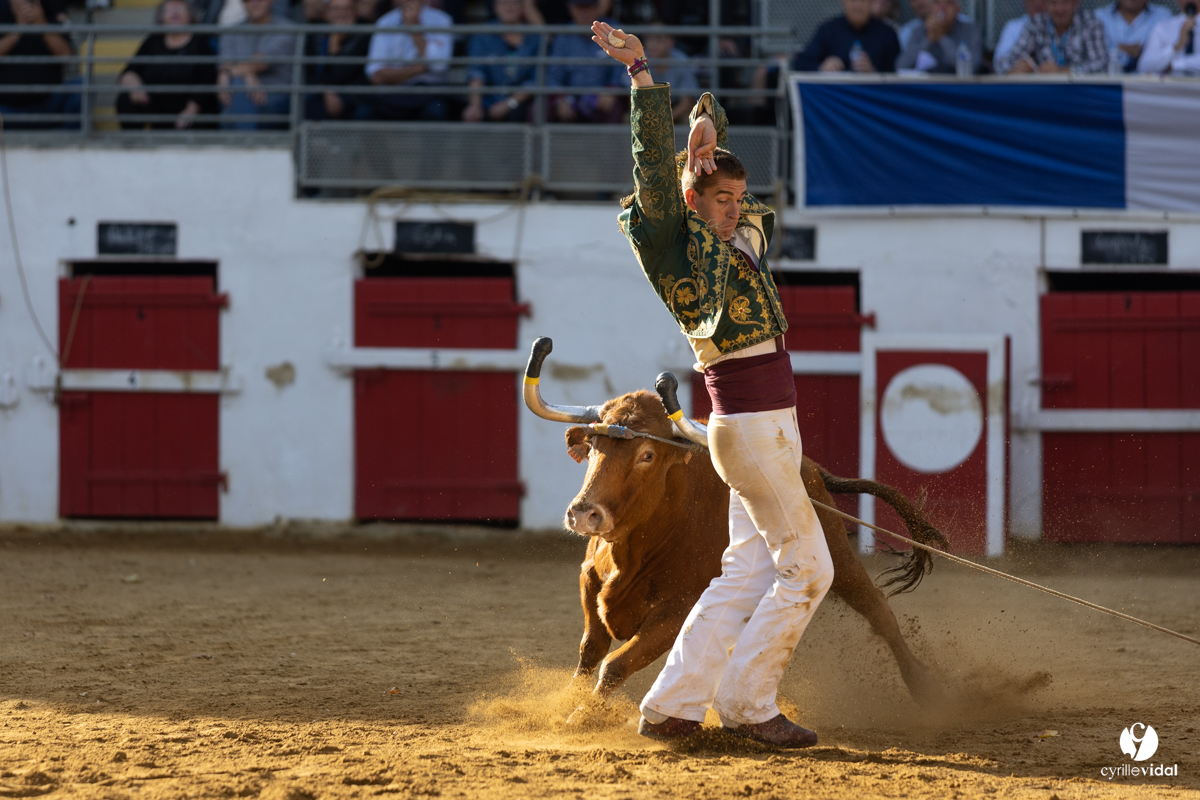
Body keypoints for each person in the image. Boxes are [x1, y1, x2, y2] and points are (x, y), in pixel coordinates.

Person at [590, 19, 836, 749]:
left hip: (765, 424)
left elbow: (716, 169)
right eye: (719, 197)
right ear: (691, 201)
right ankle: (751, 704)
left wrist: (706, 125)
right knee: (809, 569)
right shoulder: (673, 237)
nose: (733, 206)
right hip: (752, 425)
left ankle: (669, 706)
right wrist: (641, 75)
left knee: (743, 572)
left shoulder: (737, 236)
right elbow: (657, 178)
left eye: (738, 195)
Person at [118, 0, 219, 130]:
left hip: (192, 112)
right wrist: (135, 86)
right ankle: (132, 144)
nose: (175, 14)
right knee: (126, 98)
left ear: (190, 16)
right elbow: (130, 71)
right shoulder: (153, 40)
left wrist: (191, 110)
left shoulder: (201, 43)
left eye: (180, 10)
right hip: (156, 107)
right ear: (162, 17)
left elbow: (208, 81)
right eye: (170, 10)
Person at [364, 0, 453, 120]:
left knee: (436, 110)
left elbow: (439, 67)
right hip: (392, 94)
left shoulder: (442, 20)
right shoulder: (384, 22)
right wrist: (420, 68)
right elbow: (376, 75)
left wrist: (414, 27)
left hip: (429, 93)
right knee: (364, 112)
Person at [217, 0, 297, 129]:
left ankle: (242, 142)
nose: (254, 3)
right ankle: (246, 142)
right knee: (237, 86)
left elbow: (260, 63)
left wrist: (227, 72)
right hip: (238, 96)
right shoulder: (232, 31)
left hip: (276, 95)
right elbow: (225, 62)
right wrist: (247, 75)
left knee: (232, 103)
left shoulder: (287, 28)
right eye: (248, 0)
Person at [0, 0, 78, 129]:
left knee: (80, 87)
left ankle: (69, 144)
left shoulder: (51, 15)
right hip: (6, 109)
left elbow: (66, 57)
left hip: (48, 105)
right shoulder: (3, 16)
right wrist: (18, 30)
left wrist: (42, 25)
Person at [462, 0, 541, 122]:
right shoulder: (483, 35)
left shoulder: (535, 37)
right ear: (495, 7)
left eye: (514, 3)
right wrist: (475, 105)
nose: (509, 6)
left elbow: (536, 80)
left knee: (523, 113)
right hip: (489, 99)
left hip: (520, 102)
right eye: (504, 2)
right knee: (472, 114)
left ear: (522, 7)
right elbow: (477, 72)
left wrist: (509, 103)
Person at [546, 0, 624, 122]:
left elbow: (621, 68)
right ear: (571, 8)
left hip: (601, 96)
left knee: (615, 108)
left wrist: (611, 91)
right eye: (580, 8)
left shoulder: (612, 31)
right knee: (540, 109)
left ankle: (610, 142)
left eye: (589, 7)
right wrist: (560, 99)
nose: (584, 12)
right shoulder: (563, 36)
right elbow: (554, 75)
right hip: (571, 98)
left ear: (597, 8)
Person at [994, 0, 1108, 74]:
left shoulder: (1090, 23)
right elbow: (1001, 63)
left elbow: (1102, 64)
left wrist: (1064, 71)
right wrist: (1014, 69)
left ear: (1076, 3)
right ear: (1046, 4)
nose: (1059, 9)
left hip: (1080, 96)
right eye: (1053, 2)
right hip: (1044, 97)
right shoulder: (1036, 24)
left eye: (1065, 2)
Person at [304, 0, 372, 120]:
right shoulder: (315, 36)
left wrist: (335, 43)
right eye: (336, 9)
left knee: (365, 112)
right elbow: (310, 74)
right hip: (322, 94)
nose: (341, 14)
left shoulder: (364, 36)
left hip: (355, 96)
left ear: (355, 12)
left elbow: (342, 75)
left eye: (347, 9)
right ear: (326, 13)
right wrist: (327, 91)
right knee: (310, 107)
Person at [792, 0, 901, 73]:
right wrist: (822, 67)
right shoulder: (829, 29)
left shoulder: (887, 34)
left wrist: (873, 73)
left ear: (871, 2)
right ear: (843, 2)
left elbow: (898, 73)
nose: (857, 5)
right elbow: (801, 62)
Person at [896, 0, 981, 73]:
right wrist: (928, 40)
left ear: (958, 8)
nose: (942, 8)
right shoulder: (919, 30)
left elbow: (972, 66)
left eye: (949, 3)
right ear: (931, 8)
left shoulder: (970, 30)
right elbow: (901, 66)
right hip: (926, 88)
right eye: (937, 2)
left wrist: (941, 37)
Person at [636, 22, 697, 122]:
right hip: (648, 111)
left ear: (670, 41)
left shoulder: (681, 61)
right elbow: (634, 99)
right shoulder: (639, 61)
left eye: (658, 39)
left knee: (689, 118)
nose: (652, 45)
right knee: (629, 119)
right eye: (649, 39)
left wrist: (662, 120)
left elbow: (687, 103)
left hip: (675, 109)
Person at [1096, 0, 1172, 71]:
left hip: (1151, 83)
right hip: (1107, 82)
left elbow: (1169, 56)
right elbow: (1093, 56)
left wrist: (1143, 53)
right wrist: (1121, 48)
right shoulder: (1098, 17)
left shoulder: (1163, 16)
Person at [1138, 4, 1200, 74]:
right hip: (1172, 84)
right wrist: (1176, 46)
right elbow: (1144, 68)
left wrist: (1174, 65)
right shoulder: (1163, 27)